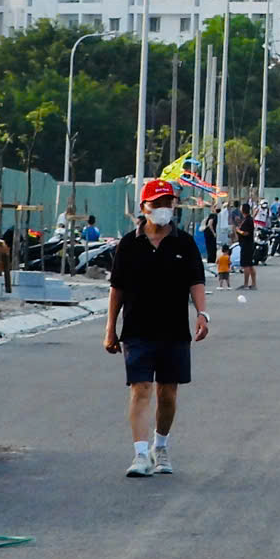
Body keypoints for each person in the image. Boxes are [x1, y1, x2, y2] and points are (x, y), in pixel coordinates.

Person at [103, 178, 208, 478]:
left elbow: (196, 281)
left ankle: (159, 446)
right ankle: (140, 454)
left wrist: (202, 314)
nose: (164, 208)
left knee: (168, 393)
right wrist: (110, 328)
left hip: (174, 330)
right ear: (144, 207)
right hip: (137, 329)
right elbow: (117, 289)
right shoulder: (129, 244)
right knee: (140, 389)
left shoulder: (184, 243)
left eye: (168, 203)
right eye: (157, 203)